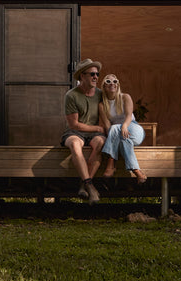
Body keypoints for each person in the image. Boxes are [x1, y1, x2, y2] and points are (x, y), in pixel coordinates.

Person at [61, 58, 105, 204]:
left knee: (100, 142)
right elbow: (74, 124)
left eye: (97, 74)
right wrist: (97, 128)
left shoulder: (100, 94)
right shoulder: (71, 95)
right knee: (74, 144)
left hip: (94, 134)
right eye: (92, 74)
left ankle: (84, 184)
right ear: (82, 76)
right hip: (75, 132)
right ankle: (90, 186)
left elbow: (117, 100)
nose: (96, 77)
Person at [99, 73, 147, 184]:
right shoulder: (102, 105)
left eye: (115, 81)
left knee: (116, 128)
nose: (112, 84)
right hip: (120, 135)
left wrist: (124, 126)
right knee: (124, 141)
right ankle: (137, 171)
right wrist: (114, 136)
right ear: (104, 86)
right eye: (108, 81)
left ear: (118, 85)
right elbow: (107, 125)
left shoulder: (125, 97)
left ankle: (111, 162)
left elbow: (129, 116)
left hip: (133, 129)